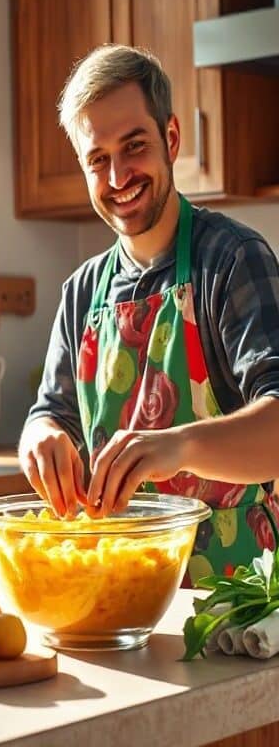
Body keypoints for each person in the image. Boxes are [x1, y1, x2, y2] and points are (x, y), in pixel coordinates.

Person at [18, 44, 279, 583]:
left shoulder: (231, 260)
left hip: (234, 601)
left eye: (134, 146)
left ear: (172, 139)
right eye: (98, 159)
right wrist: (39, 437)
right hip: (117, 592)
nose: (118, 176)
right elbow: (50, 415)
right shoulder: (81, 292)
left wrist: (178, 446)